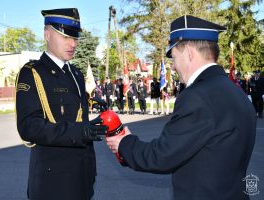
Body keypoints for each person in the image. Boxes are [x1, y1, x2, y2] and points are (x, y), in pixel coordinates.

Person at [106, 15, 256, 200]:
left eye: (174, 57)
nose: (174, 67)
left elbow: (162, 156)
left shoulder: (197, 96)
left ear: (189, 53)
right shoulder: (236, 92)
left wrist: (124, 144)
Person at [15, 8, 107, 200]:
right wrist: (79, 132)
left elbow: (79, 117)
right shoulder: (32, 73)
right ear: (47, 34)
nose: (73, 43)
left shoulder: (76, 74)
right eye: (65, 37)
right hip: (53, 182)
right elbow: (29, 127)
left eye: (75, 37)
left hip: (82, 178)